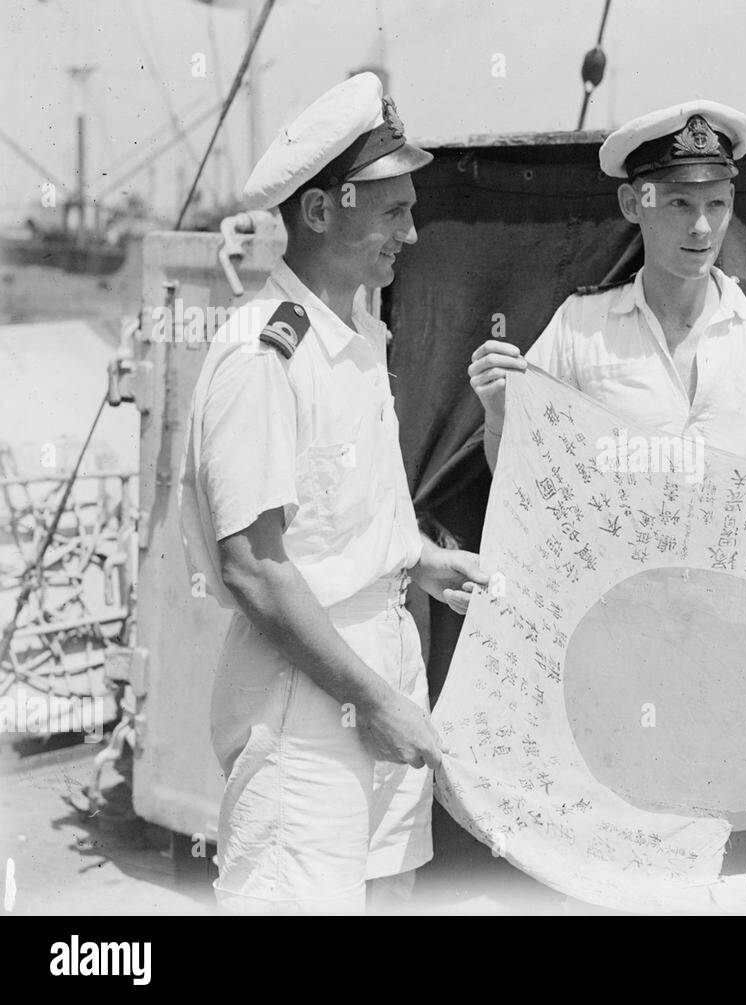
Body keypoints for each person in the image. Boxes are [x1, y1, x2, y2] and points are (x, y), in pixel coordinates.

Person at [467, 100, 746, 871]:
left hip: (736, 635)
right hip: (620, 636)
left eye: (716, 203)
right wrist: (500, 409)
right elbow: (524, 484)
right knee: (622, 840)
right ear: (631, 204)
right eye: (678, 204)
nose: (701, 228)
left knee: (730, 841)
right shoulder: (580, 331)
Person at [179, 73, 487, 914]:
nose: (412, 233)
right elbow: (253, 567)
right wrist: (375, 700)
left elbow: (336, 519)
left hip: (377, 677)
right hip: (309, 709)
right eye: (393, 212)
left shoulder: (351, 334)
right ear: (319, 213)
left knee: (387, 894)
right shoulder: (262, 356)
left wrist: (416, 558)